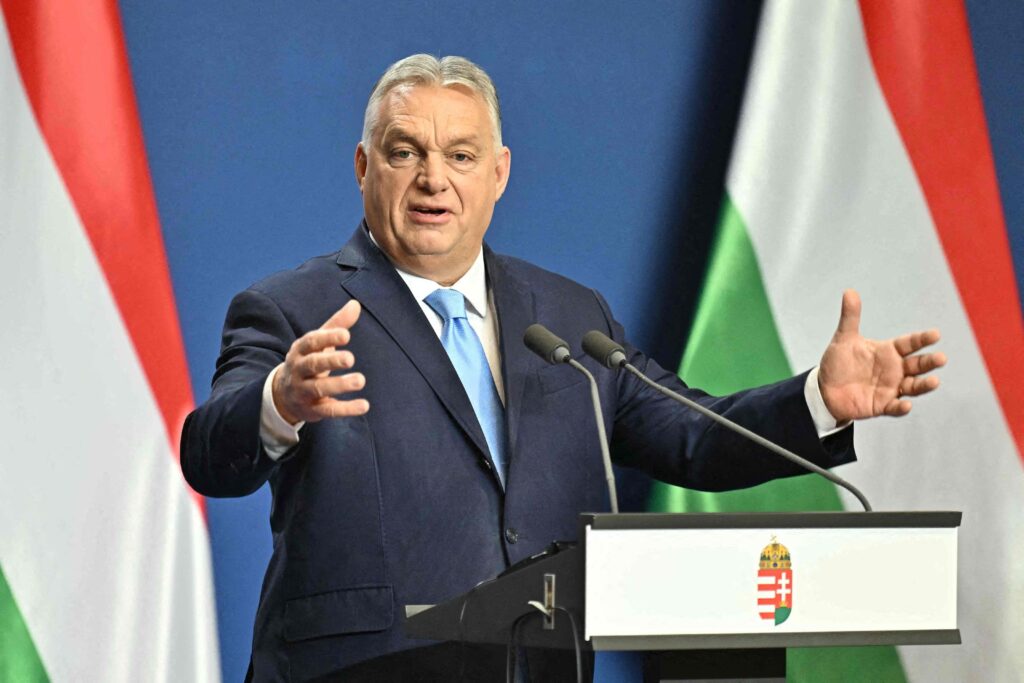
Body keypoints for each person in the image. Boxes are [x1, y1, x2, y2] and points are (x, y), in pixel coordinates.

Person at [180, 54, 945, 681]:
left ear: (500, 172)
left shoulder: (570, 316)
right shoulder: (291, 307)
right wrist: (278, 399)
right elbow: (209, 451)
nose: (432, 178)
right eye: (405, 151)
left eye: (461, 155)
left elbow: (691, 436)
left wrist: (817, 400)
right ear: (363, 165)